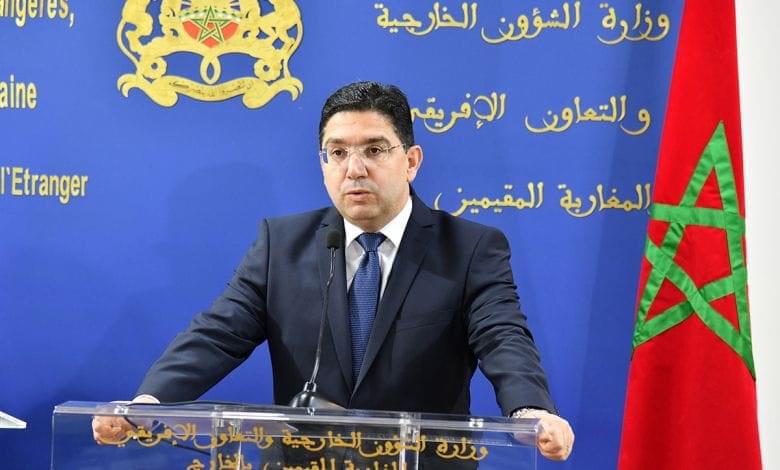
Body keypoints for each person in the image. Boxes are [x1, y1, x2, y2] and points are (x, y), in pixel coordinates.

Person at [92, 81, 574, 461]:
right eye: (338, 152)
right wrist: (147, 404)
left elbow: (501, 336)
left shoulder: (469, 248)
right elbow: (219, 334)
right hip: (306, 463)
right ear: (323, 163)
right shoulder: (282, 244)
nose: (354, 168)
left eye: (374, 150)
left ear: (411, 161)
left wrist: (530, 409)